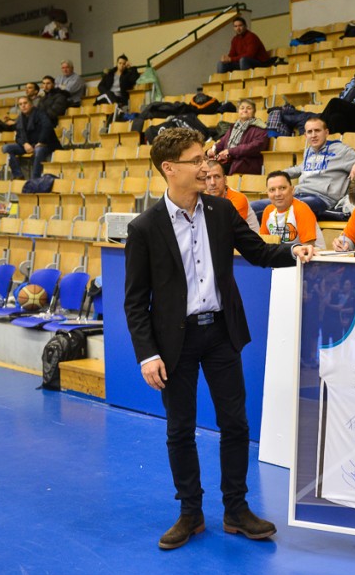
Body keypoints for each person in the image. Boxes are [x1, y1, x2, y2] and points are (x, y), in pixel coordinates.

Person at [124, 127, 303, 550]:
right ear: (170, 169)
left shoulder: (221, 211)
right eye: (196, 160)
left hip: (222, 332)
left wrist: (297, 252)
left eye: (205, 158)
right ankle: (190, 512)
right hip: (175, 343)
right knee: (180, 429)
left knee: (235, 424)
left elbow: (259, 252)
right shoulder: (144, 227)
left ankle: (236, 509)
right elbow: (134, 301)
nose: (206, 167)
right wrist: (147, 354)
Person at [280, 117, 355, 216]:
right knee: (267, 205)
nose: (313, 135)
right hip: (299, 194)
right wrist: (278, 174)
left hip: (322, 198)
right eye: (309, 132)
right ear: (305, 135)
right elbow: (301, 168)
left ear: (326, 133)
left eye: (317, 130)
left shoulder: (340, 150)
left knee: (288, 208)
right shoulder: (309, 151)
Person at [259, 171, 324, 248]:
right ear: (267, 193)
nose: (277, 194)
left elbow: (308, 247)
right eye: (272, 190)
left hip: (310, 254)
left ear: (292, 190)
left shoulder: (301, 209)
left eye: (282, 188)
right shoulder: (268, 211)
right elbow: (263, 243)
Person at [206, 98, 269, 175]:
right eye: (242, 108)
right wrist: (213, 150)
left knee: (213, 171)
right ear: (238, 111)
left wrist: (230, 151)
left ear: (254, 112)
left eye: (249, 108)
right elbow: (222, 142)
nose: (245, 110)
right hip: (230, 161)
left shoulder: (260, 128)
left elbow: (255, 147)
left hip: (246, 163)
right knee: (206, 167)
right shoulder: (234, 127)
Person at [2, 96, 59, 179]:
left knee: (38, 150)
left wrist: (40, 142)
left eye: (25, 103)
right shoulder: (20, 118)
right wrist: (25, 144)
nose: (23, 106)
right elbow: (18, 137)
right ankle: (18, 175)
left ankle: (35, 178)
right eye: (20, 104)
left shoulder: (40, 113)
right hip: (29, 145)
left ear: (31, 104)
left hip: (45, 144)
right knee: (6, 148)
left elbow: (47, 127)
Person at [205, 159, 259, 232]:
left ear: (225, 180)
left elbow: (225, 229)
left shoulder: (238, 199)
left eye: (217, 177)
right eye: (208, 178)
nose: (212, 183)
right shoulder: (204, 199)